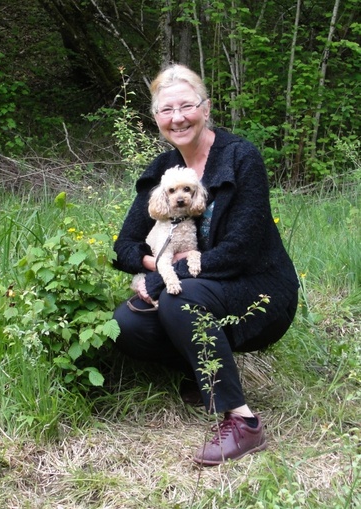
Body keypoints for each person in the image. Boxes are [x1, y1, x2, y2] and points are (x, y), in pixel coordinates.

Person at [112, 63, 299, 466]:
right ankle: (200, 372)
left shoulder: (240, 157)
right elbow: (123, 246)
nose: (177, 117)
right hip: (198, 286)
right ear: (157, 119)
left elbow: (243, 250)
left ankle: (242, 421)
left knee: (183, 297)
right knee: (127, 323)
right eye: (166, 110)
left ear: (206, 108)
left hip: (260, 289)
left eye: (186, 106)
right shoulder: (163, 174)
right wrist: (152, 267)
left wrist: (170, 277)